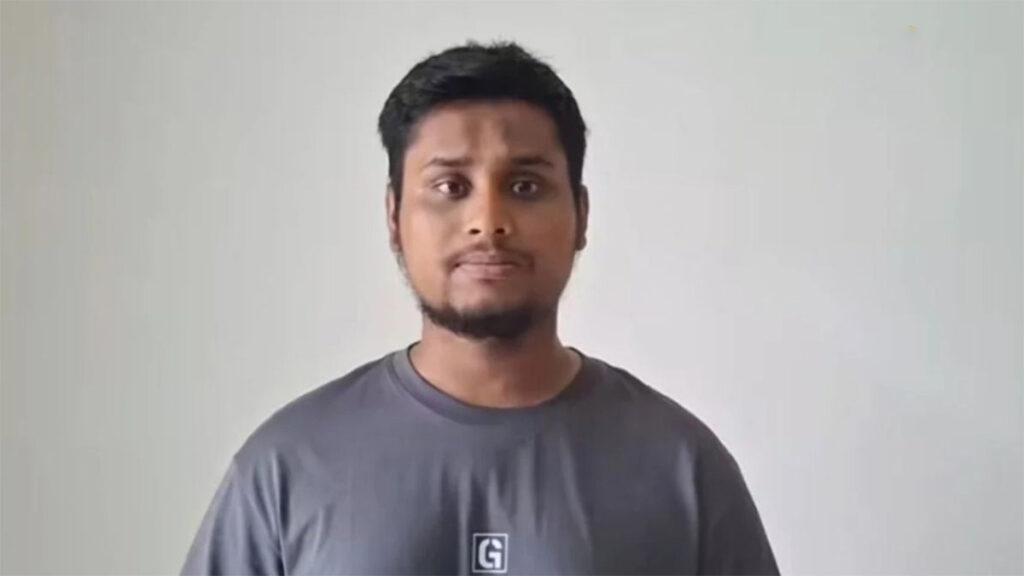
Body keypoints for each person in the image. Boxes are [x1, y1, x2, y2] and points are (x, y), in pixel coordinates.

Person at [181, 40, 779, 575]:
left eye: (525, 186)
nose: (488, 221)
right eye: (450, 187)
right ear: (394, 218)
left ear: (581, 215)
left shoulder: (681, 467)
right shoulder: (287, 466)